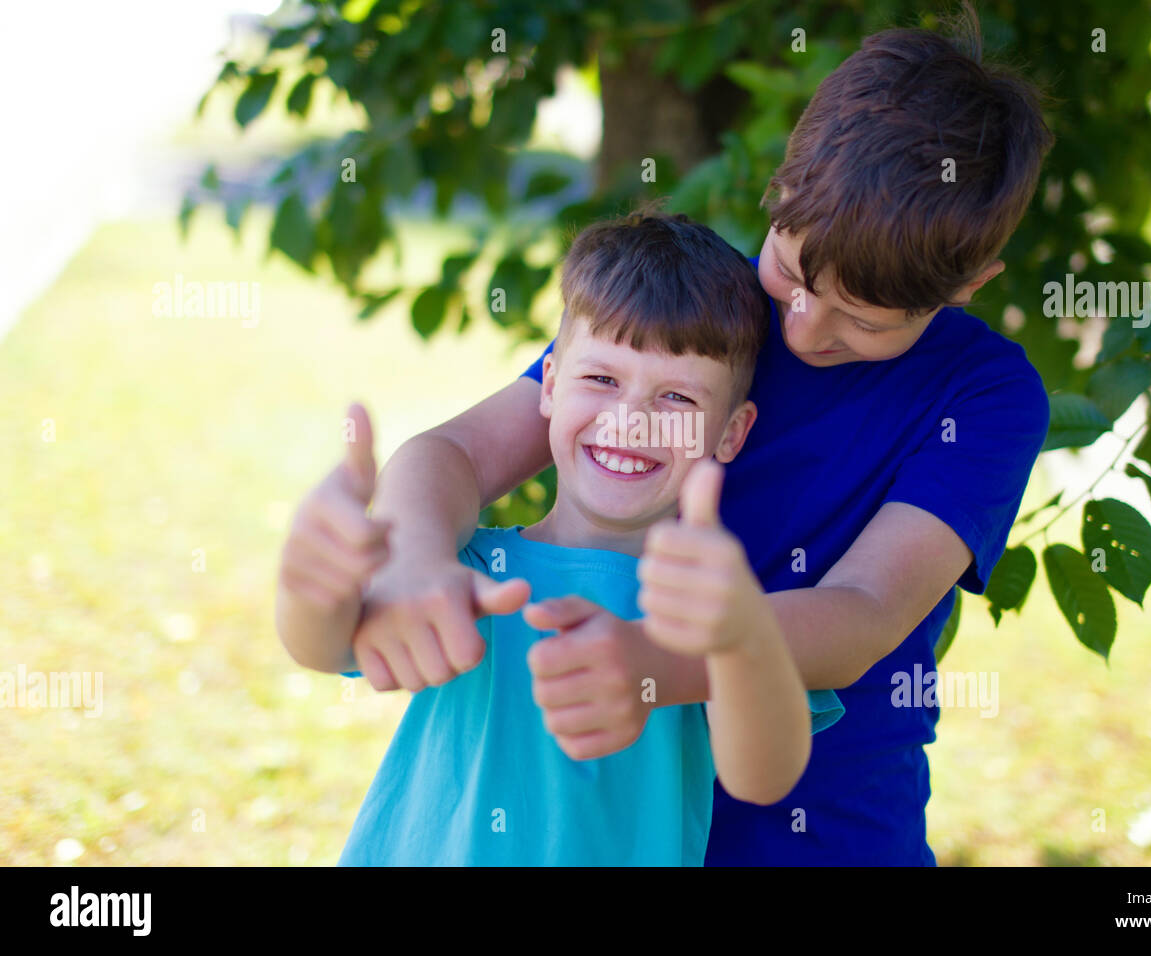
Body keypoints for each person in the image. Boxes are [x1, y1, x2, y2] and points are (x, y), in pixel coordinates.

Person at [315, 17, 1054, 865]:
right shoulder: (704, 312)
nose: (808, 329)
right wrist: (414, 555)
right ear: (779, 192)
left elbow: (863, 612)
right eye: (793, 273)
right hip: (619, 819)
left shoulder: (985, 394)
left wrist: (651, 662)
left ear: (967, 286)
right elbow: (458, 454)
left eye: (863, 320)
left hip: (826, 827)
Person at [276, 212, 843, 865]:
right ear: (548, 384)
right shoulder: (463, 566)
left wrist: (743, 638)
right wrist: (309, 583)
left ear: (731, 434)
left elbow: (764, 775)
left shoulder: (707, 602)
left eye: (678, 400)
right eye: (601, 380)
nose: (629, 420)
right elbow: (321, 646)